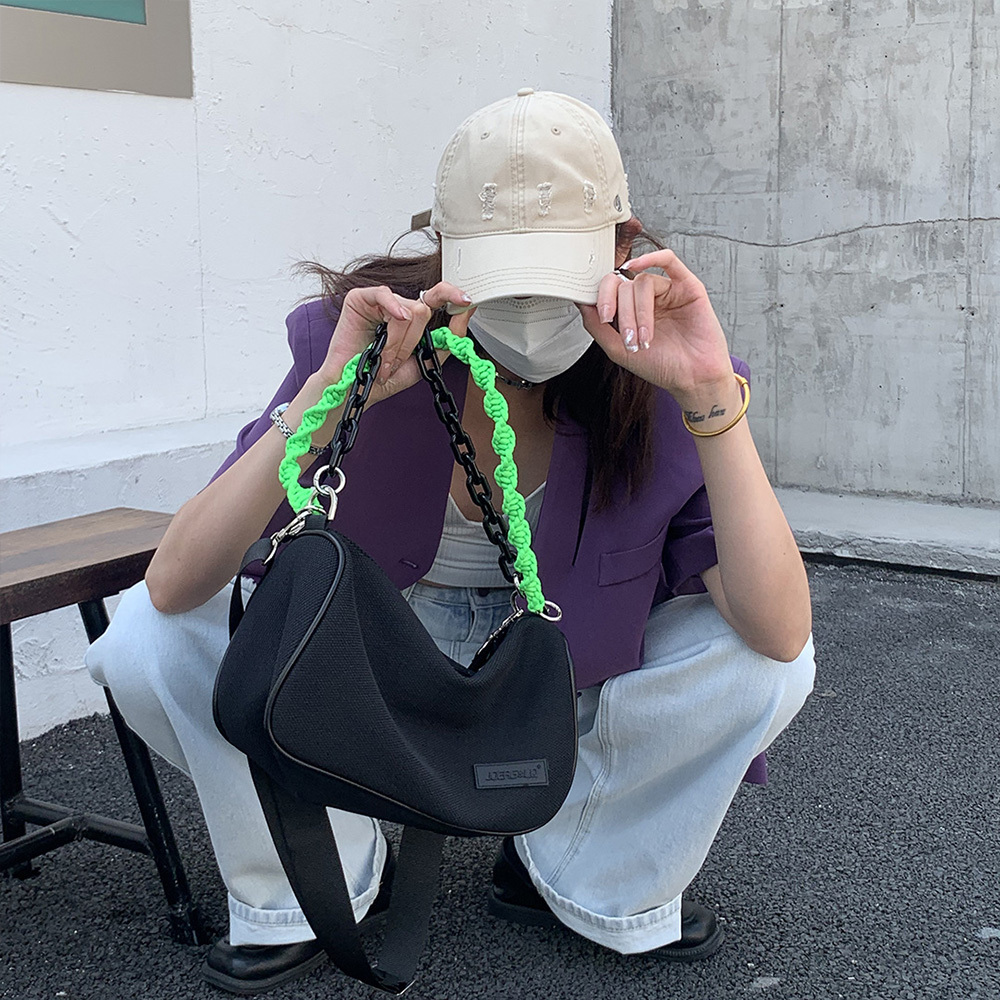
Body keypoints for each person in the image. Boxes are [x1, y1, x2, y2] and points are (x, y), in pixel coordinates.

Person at [85, 88, 815, 994]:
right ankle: (315, 879)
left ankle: (583, 874)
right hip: (375, 654)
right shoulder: (360, 338)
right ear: (445, 252)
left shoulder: (665, 373)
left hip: (565, 665)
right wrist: (328, 397)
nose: (530, 305)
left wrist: (708, 397)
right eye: (502, 273)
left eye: (558, 271)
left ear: (624, 246)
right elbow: (175, 584)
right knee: (151, 639)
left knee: (760, 664)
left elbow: (780, 632)